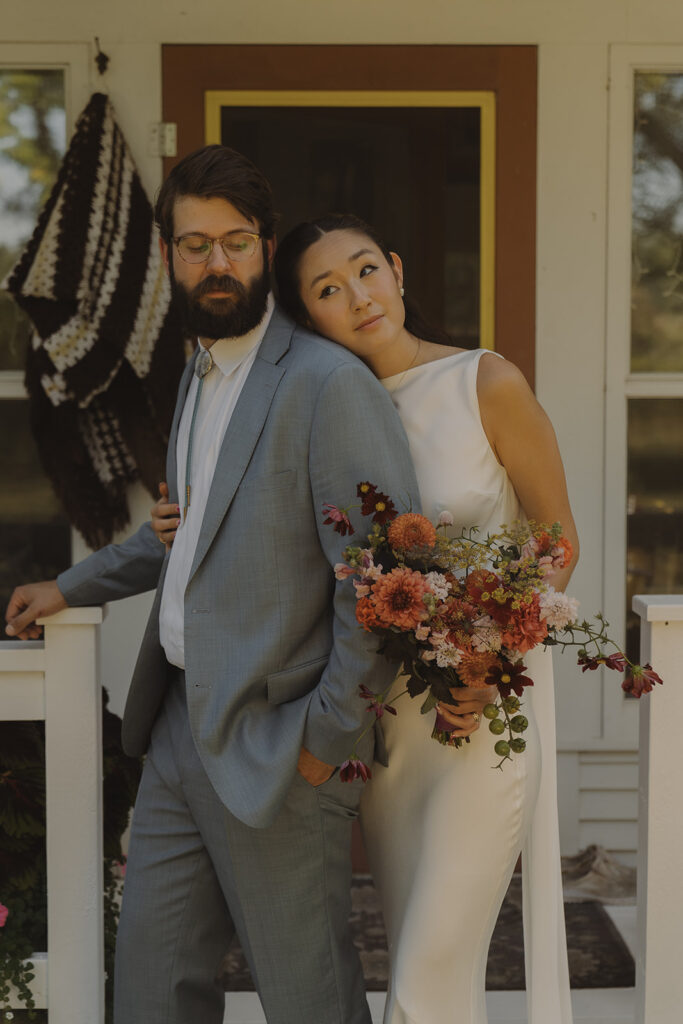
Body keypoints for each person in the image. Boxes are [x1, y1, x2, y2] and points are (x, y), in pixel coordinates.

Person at [4, 150, 495, 1024]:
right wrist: (72, 585)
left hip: (281, 744)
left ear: (265, 248)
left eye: (234, 242)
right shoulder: (197, 374)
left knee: (305, 1000)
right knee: (149, 992)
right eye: (195, 245)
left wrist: (328, 739)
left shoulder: (326, 384)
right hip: (177, 735)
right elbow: (188, 531)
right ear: (167, 258)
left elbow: (379, 585)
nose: (215, 263)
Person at [269, 213, 579, 1024]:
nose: (359, 297)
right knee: (422, 968)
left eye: (366, 269)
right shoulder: (325, 414)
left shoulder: (486, 382)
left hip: (482, 723)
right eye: (328, 290)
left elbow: (556, 544)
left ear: (398, 270)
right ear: (309, 319)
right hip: (390, 738)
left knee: (423, 981)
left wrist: (483, 655)